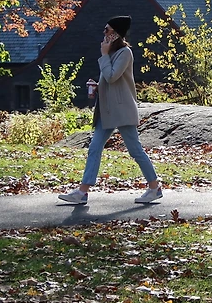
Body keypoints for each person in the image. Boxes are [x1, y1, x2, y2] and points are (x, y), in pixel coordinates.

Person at [59, 16, 163, 206]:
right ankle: (82, 192)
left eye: (107, 29)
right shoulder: (112, 53)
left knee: (135, 150)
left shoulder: (125, 53)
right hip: (107, 110)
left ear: (115, 33)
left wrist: (104, 55)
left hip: (122, 110)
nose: (104, 32)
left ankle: (154, 187)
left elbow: (112, 76)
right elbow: (109, 81)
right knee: (94, 147)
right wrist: (97, 87)